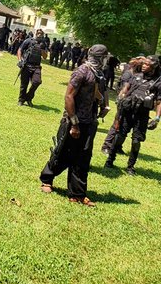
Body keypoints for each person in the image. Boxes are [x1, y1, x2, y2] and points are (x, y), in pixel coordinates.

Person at [39, 44, 110, 207]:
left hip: (90, 122)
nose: (106, 60)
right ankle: (47, 179)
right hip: (74, 122)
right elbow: (69, 97)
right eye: (105, 57)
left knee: (83, 158)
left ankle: (77, 193)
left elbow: (100, 94)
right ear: (100, 57)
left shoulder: (99, 74)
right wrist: (74, 124)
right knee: (63, 152)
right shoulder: (82, 71)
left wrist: (103, 106)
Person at [104, 55, 161, 175]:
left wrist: (157, 118)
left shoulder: (158, 84)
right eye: (144, 63)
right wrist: (121, 97)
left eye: (147, 64)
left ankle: (130, 166)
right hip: (127, 112)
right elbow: (125, 88)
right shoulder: (136, 77)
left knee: (136, 141)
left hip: (142, 116)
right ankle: (110, 160)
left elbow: (160, 101)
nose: (144, 66)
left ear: (154, 67)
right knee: (119, 136)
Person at [16, 29, 45, 106]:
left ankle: (28, 98)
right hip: (27, 65)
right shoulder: (28, 41)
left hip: (36, 67)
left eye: (41, 34)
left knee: (37, 82)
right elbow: (20, 50)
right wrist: (19, 60)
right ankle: (21, 100)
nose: (39, 35)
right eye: (38, 33)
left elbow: (45, 57)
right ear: (35, 33)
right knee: (24, 84)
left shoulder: (43, 43)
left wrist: (42, 49)